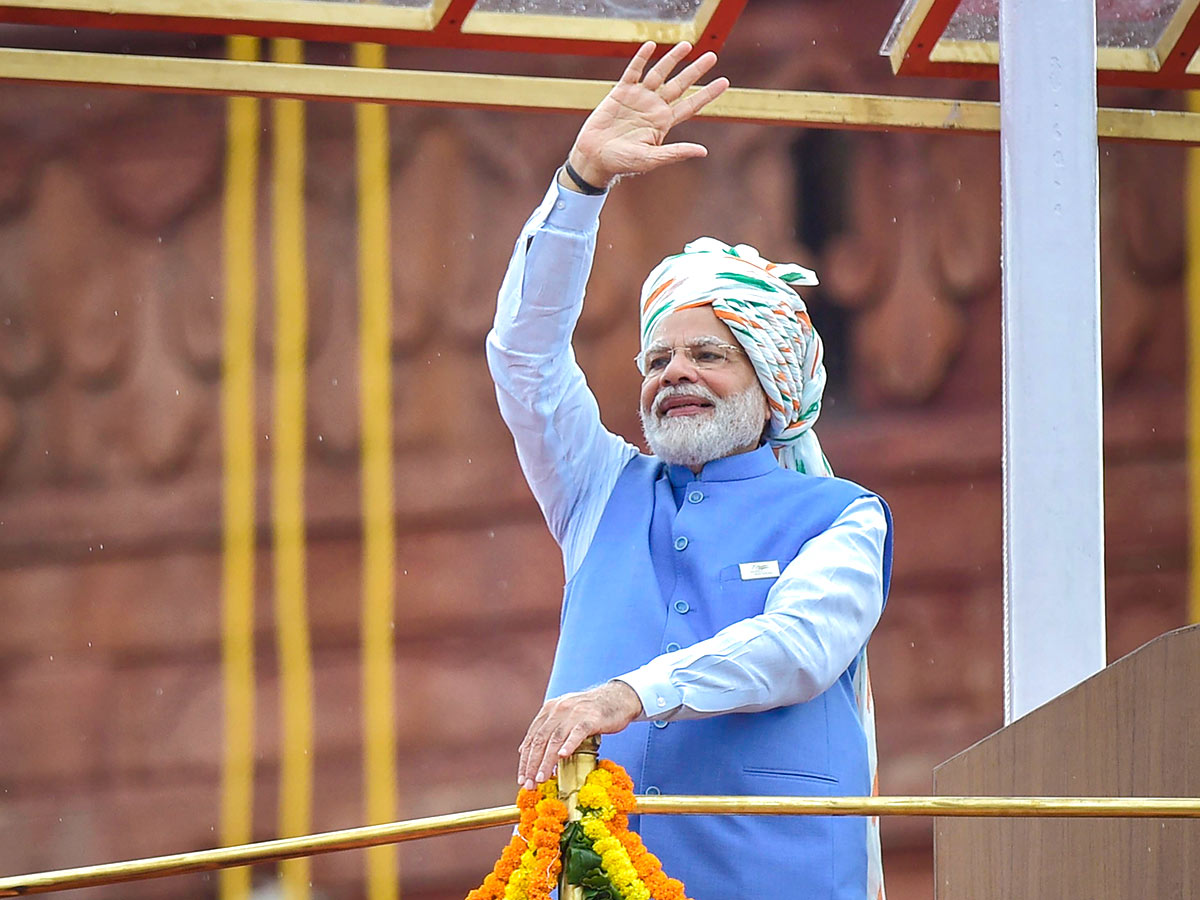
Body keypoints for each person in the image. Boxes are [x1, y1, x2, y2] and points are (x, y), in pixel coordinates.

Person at [486, 41, 893, 900]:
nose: (674, 372)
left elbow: (799, 648)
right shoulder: (599, 490)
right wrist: (580, 184)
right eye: (657, 357)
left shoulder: (844, 516)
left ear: (772, 383)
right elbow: (524, 359)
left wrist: (632, 694)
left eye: (708, 354)